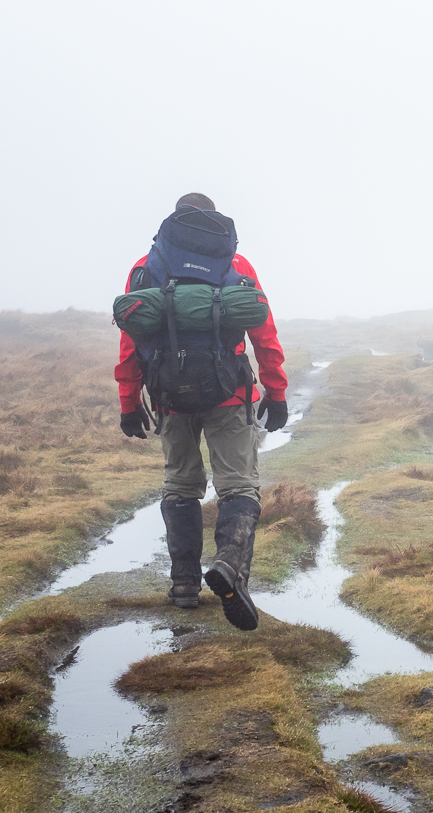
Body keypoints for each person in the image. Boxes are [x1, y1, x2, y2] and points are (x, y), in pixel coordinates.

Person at [116, 193, 289, 630]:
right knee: (238, 486)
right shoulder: (237, 265)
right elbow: (263, 332)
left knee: (180, 484)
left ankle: (185, 585)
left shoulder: (147, 266)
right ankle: (231, 567)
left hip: (169, 394)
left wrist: (130, 401)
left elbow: (132, 342)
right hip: (228, 393)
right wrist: (276, 391)